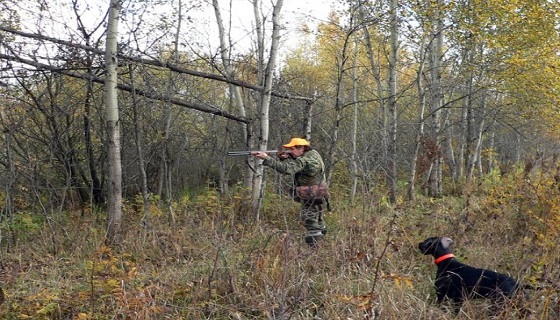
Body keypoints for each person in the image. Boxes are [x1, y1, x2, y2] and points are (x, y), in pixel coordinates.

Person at [253, 138, 329, 246]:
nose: (290, 151)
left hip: (311, 194)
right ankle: (323, 246)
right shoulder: (313, 154)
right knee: (319, 221)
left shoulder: (305, 160)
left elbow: (287, 169)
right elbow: (304, 167)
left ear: (302, 148)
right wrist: (289, 156)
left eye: (292, 149)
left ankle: (314, 250)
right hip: (319, 193)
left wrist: (267, 158)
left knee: (311, 222)